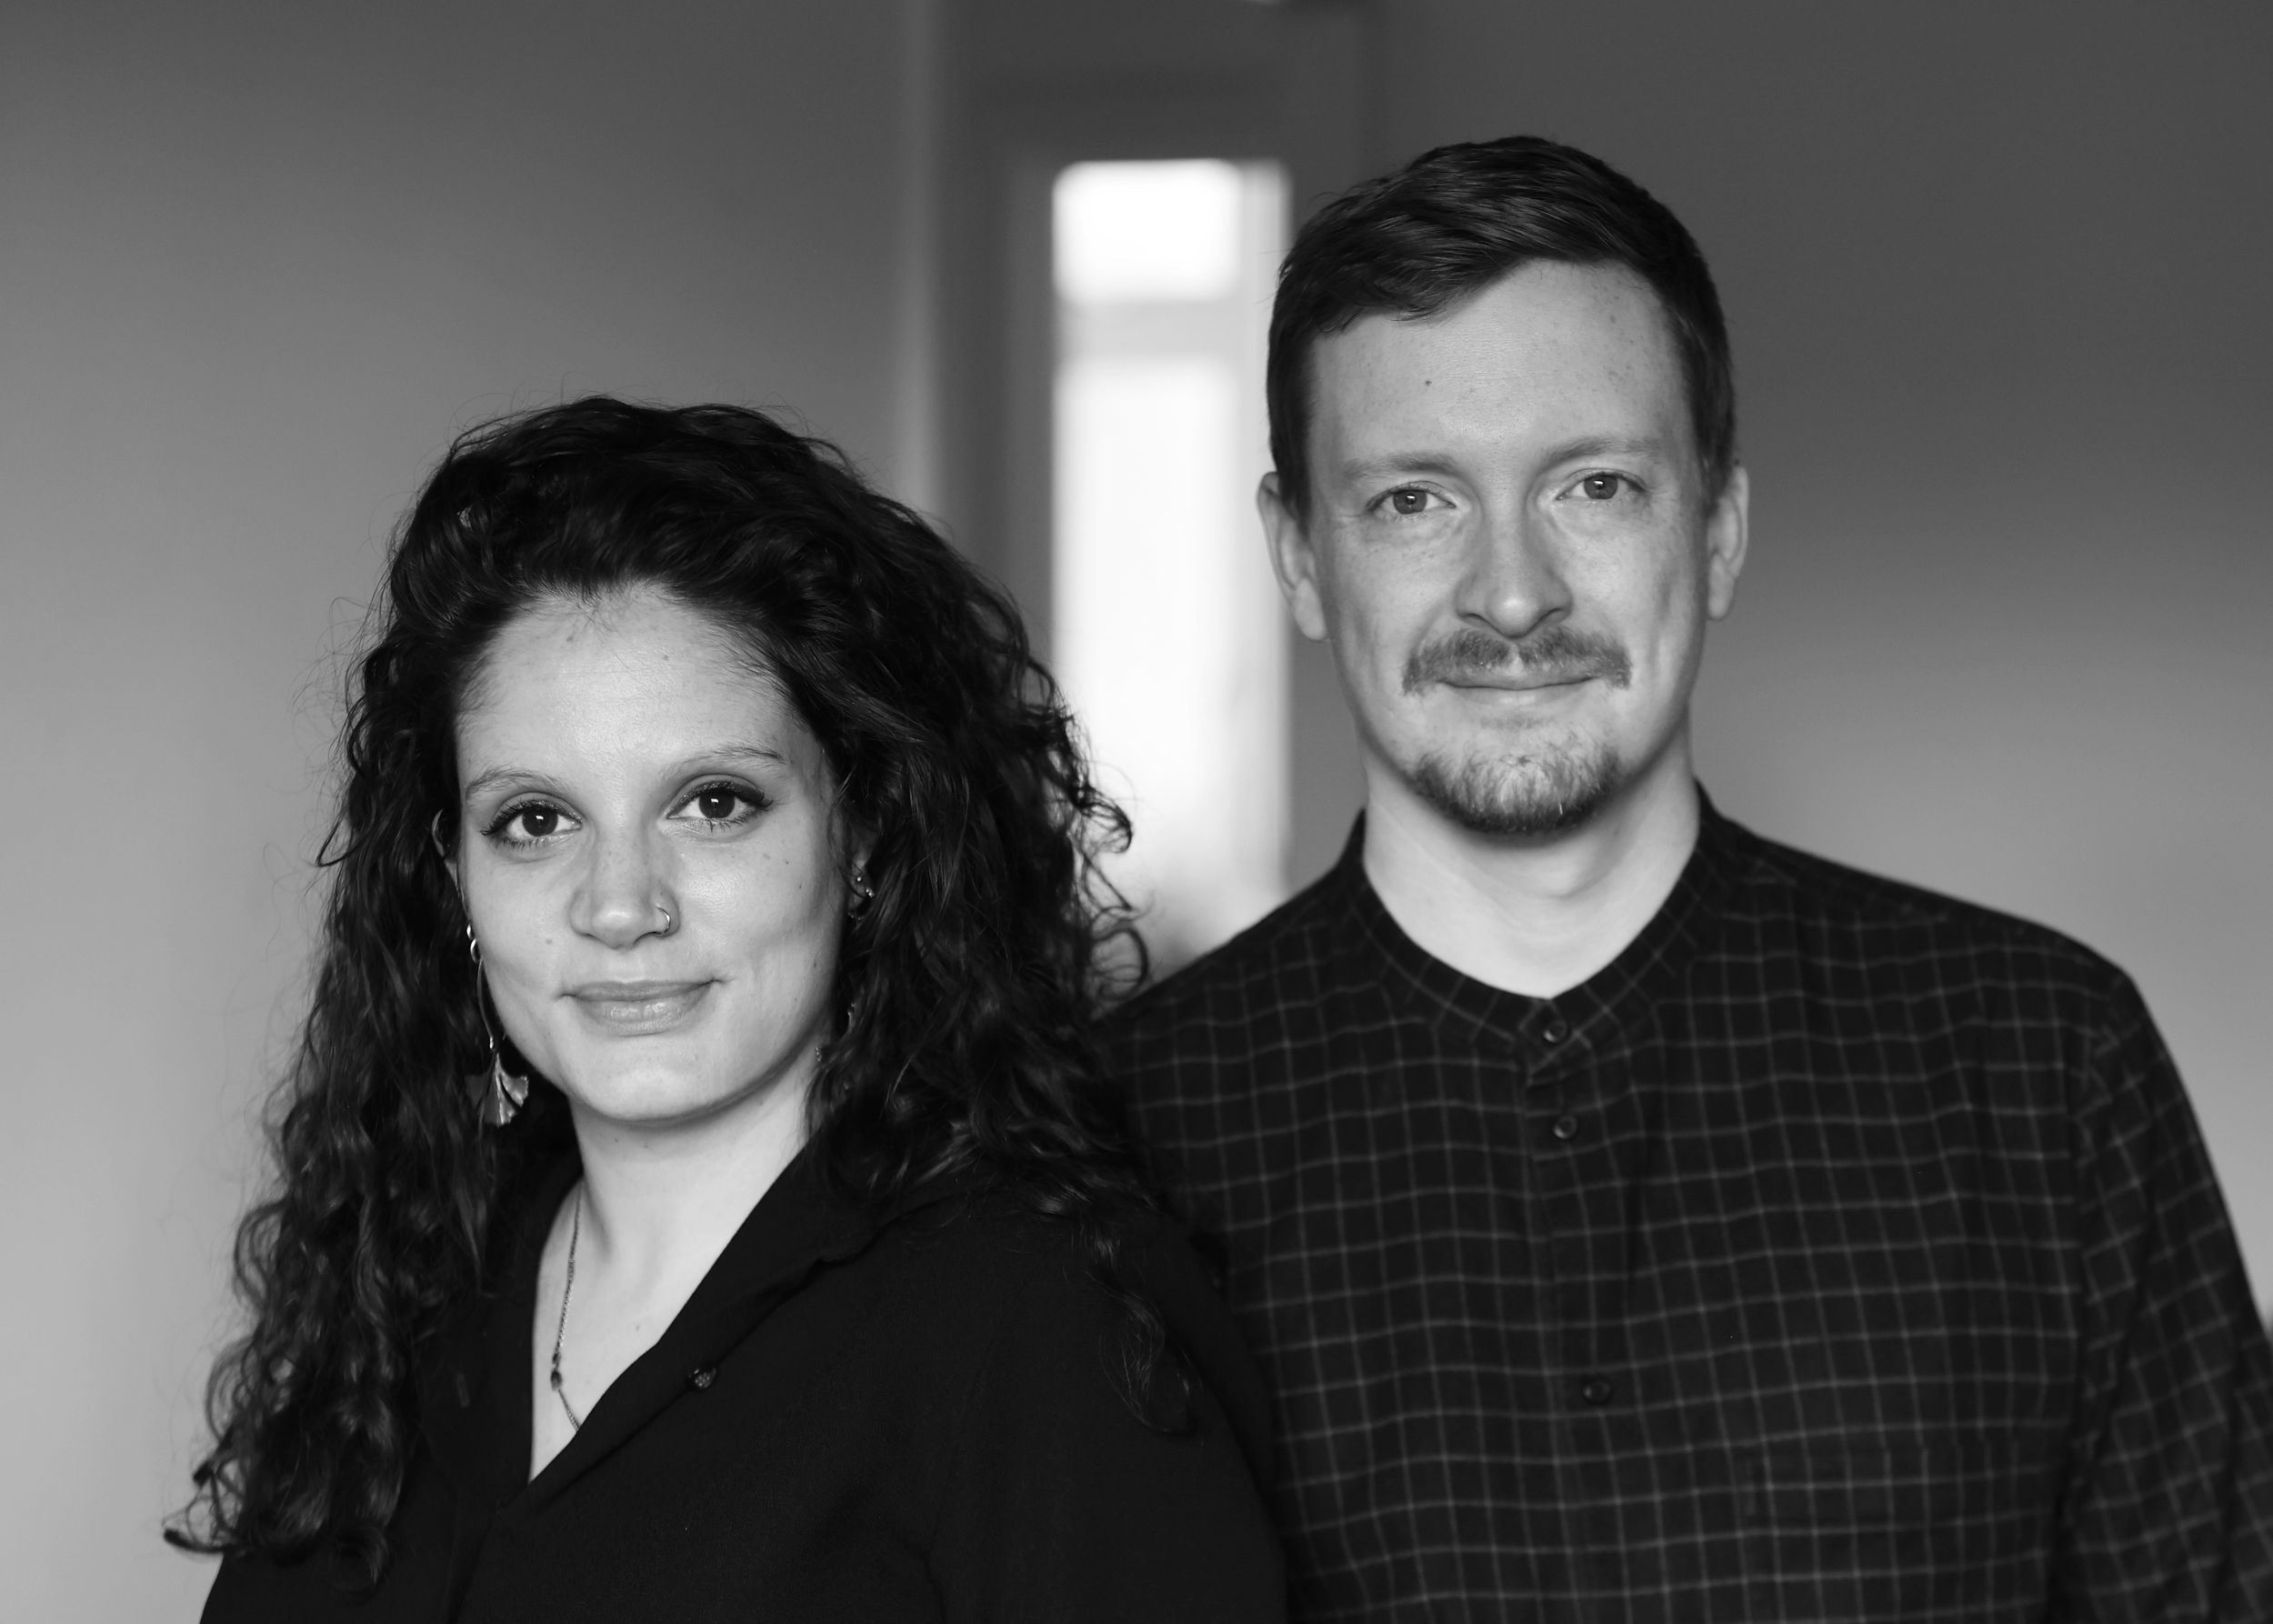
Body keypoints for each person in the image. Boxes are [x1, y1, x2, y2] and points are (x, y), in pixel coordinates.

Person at [1102, 135, 2273, 1620]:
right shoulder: (1115, 1143)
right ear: (1296, 557)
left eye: (1594, 485)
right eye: (1414, 500)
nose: (1511, 593)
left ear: (1717, 531)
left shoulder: (2045, 1065)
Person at [175, 398, 1285, 1621]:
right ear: (455, 875)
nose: (620, 905)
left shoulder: (1038, 1319)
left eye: (712, 803)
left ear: (863, 833)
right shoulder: (407, 1287)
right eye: (536, 819)